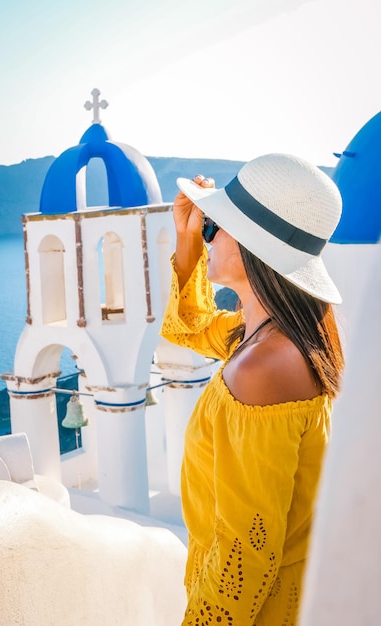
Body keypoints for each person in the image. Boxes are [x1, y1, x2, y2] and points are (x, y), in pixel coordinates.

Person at [160, 153, 345, 625]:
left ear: (251, 247)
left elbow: (244, 559)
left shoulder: (263, 367)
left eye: (217, 226)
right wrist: (188, 241)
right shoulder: (264, 335)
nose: (210, 234)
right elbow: (190, 327)